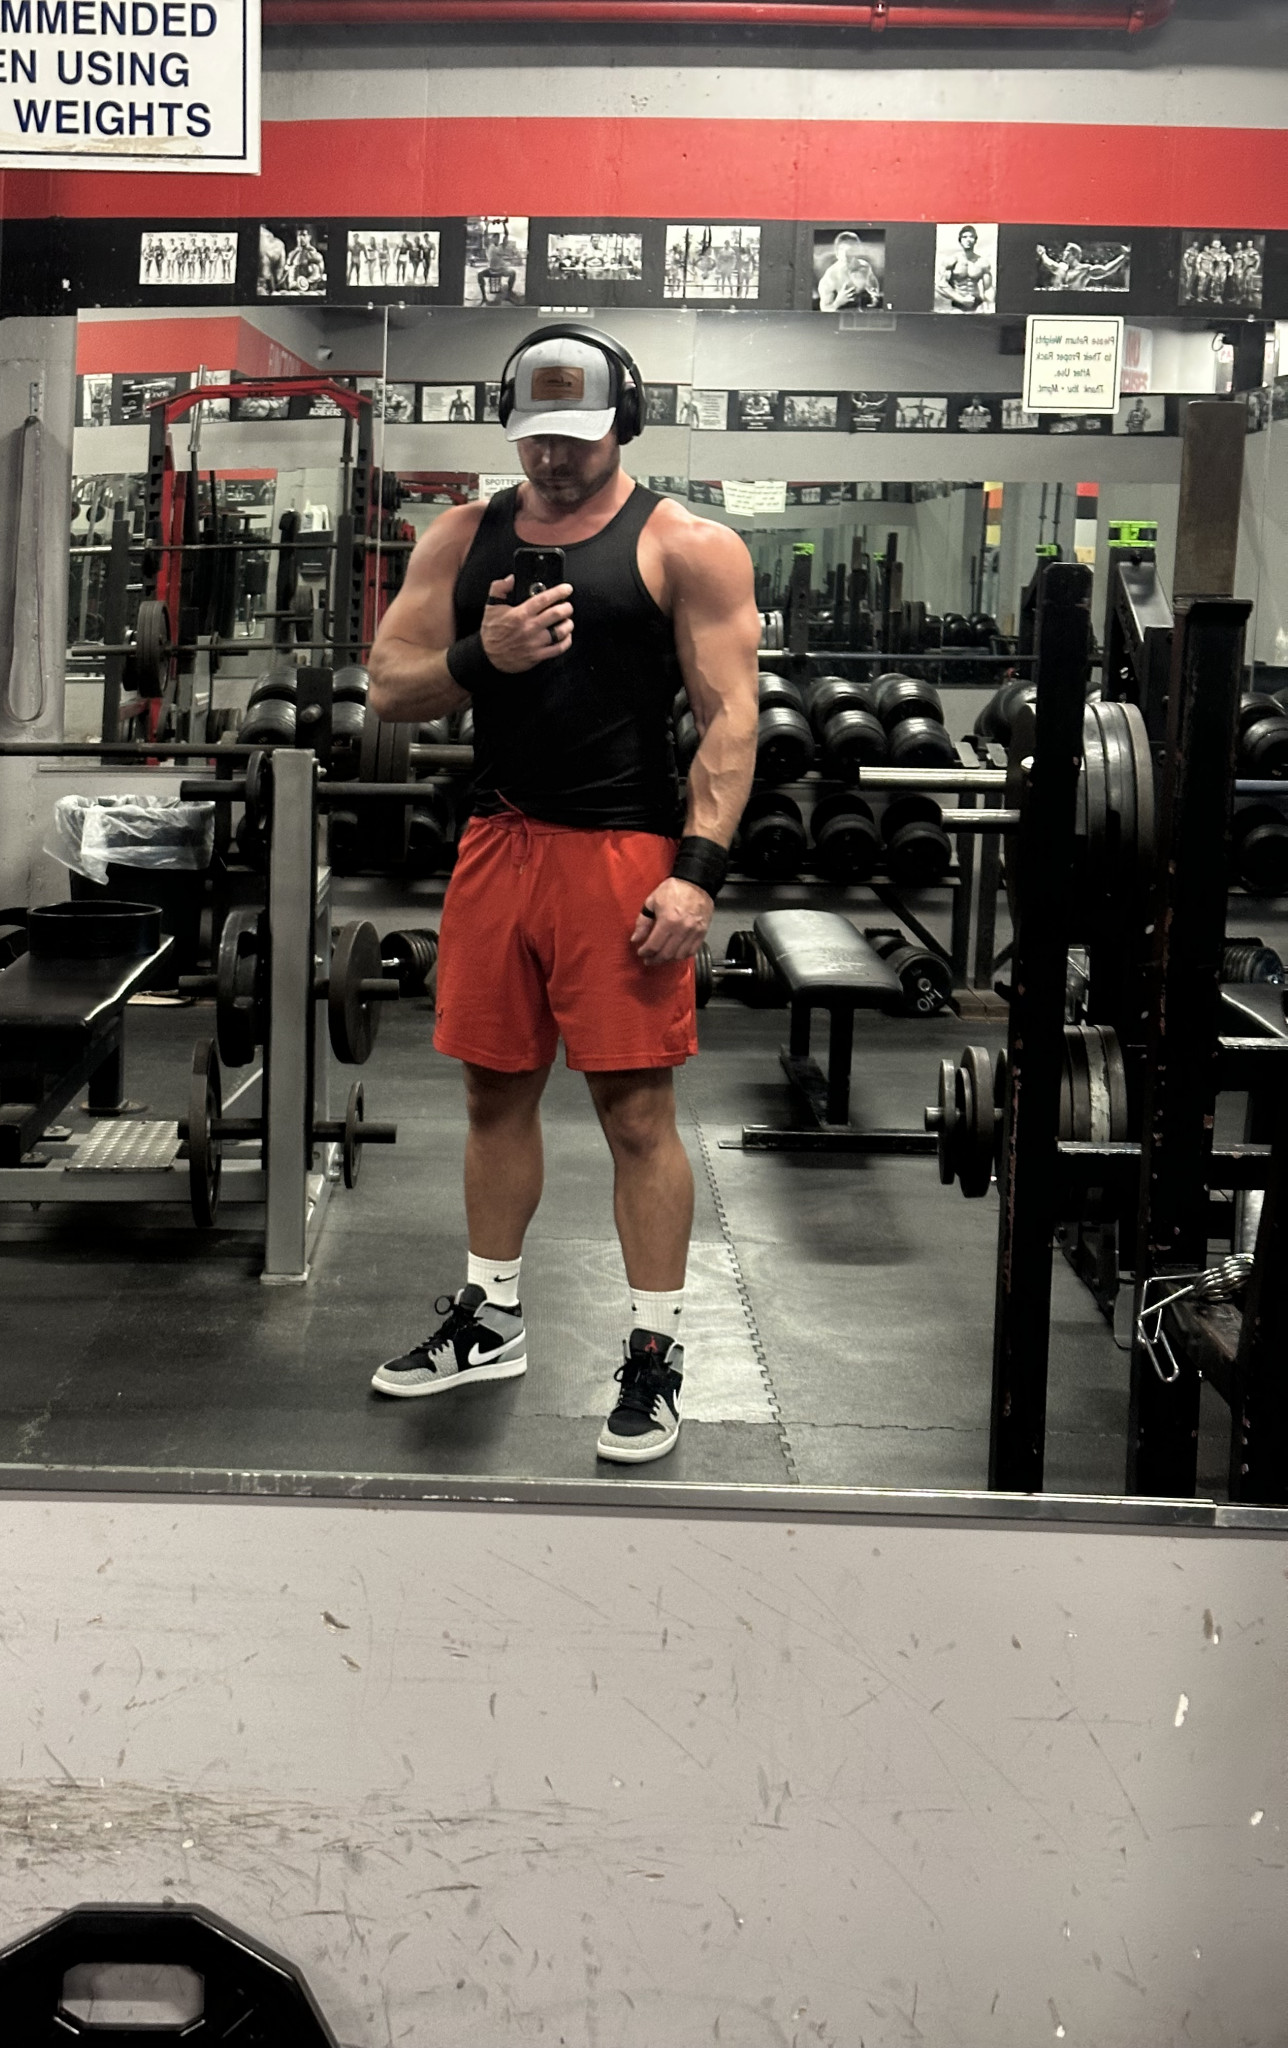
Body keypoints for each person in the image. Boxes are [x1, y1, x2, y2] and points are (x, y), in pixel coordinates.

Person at [365, 326, 759, 1463]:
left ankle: (655, 1353)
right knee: (493, 1095)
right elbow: (387, 685)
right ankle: (489, 1319)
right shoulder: (461, 535)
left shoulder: (687, 546)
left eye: (577, 438)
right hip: (498, 844)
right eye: (536, 437)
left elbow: (730, 720)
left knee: (636, 1115)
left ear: (623, 422)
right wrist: (482, 657)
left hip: (622, 856)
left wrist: (696, 875)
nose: (553, 459)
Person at [817, 230, 883, 312]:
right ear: (837, 252)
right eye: (842, 250)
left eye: (850, 251)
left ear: (857, 251)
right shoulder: (831, 276)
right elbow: (824, 309)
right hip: (838, 318)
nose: (846, 256)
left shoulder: (865, 268)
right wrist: (838, 302)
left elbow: (874, 291)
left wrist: (874, 298)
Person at [938, 224, 993, 313]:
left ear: (975, 240)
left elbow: (988, 288)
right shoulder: (952, 260)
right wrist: (961, 299)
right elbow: (940, 284)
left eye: (971, 237)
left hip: (977, 304)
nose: (968, 240)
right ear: (960, 240)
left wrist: (989, 305)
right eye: (964, 237)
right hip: (958, 303)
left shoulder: (982, 262)